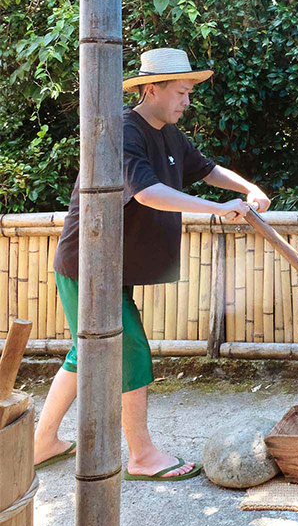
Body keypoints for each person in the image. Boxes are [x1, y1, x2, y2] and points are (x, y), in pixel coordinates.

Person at [33, 48, 272, 481]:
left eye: (189, 93)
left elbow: (207, 168)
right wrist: (217, 209)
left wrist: (248, 186)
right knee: (131, 350)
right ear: (152, 89)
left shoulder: (168, 132)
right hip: (87, 263)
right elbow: (147, 192)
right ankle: (141, 456)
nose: (187, 101)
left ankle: (42, 443)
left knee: (84, 351)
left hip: (111, 265)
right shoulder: (124, 131)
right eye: (181, 92)